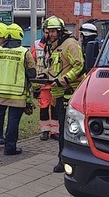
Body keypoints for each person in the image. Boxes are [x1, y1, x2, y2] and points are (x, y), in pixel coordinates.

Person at [42, 16, 85, 172]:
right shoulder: (56, 46)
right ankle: (63, 158)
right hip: (59, 94)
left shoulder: (70, 44)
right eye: (48, 32)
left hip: (70, 93)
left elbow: (79, 66)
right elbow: (55, 68)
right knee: (62, 129)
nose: (49, 35)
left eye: (53, 31)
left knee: (68, 130)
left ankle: (66, 161)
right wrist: (44, 75)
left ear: (60, 31)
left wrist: (63, 80)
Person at [0, 23, 37, 155]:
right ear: (19, 36)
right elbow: (32, 73)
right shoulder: (24, 53)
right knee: (13, 120)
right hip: (17, 94)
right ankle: (10, 148)